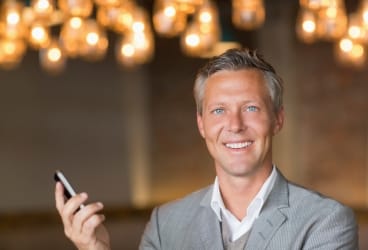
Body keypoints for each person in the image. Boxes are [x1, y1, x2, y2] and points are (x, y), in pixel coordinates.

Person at [55, 48, 358, 250]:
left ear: (278, 119)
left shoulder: (326, 221)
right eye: (218, 111)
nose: (235, 124)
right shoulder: (166, 222)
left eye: (251, 108)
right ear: (201, 124)